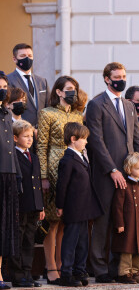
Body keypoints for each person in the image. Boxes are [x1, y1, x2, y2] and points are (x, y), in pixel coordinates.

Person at [86, 62, 139, 283]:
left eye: (124, 75)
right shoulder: (96, 105)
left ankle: (117, 268)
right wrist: (111, 169)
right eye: (117, 76)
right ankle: (99, 269)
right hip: (106, 175)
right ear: (107, 79)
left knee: (123, 221)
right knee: (103, 222)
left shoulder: (129, 105)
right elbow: (97, 141)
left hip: (130, 174)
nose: (121, 79)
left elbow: (136, 139)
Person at [37, 76, 83, 285]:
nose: (73, 92)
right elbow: (41, 146)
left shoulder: (77, 115)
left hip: (74, 169)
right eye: (69, 89)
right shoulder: (47, 113)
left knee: (68, 220)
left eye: (75, 89)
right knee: (53, 221)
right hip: (54, 168)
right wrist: (44, 176)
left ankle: (64, 265)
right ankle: (50, 266)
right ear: (58, 92)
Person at [56, 122, 102, 287]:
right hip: (73, 208)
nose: (86, 142)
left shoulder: (81, 156)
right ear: (73, 139)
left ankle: (79, 270)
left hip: (84, 207)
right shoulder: (67, 160)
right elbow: (62, 185)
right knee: (71, 241)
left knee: (83, 241)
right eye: (84, 139)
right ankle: (66, 273)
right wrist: (59, 206)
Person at [9, 120, 44, 288]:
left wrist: (41, 206)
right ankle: (17, 275)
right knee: (18, 239)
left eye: (31, 136)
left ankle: (28, 273)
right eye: (26, 136)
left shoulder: (34, 157)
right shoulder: (12, 157)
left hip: (33, 206)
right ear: (15, 138)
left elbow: (36, 182)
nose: (30, 139)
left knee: (29, 241)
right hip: (20, 205)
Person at [111, 153, 139, 284]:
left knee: (138, 250)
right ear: (129, 169)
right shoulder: (124, 184)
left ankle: (135, 271)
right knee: (127, 250)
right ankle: (124, 272)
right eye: (138, 168)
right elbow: (117, 206)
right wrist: (119, 223)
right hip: (128, 224)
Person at [0, 71, 21, 290]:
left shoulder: (6, 112)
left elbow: (10, 149)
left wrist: (18, 176)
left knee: (4, 227)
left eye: (5, 86)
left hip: (8, 174)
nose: (3, 89)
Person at [7, 43, 50, 127]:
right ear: (15, 59)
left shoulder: (42, 81)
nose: (27, 58)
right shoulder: (8, 80)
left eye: (30, 56)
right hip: (20, 130)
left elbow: (48, 107)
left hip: (41, 132)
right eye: (23, 56)